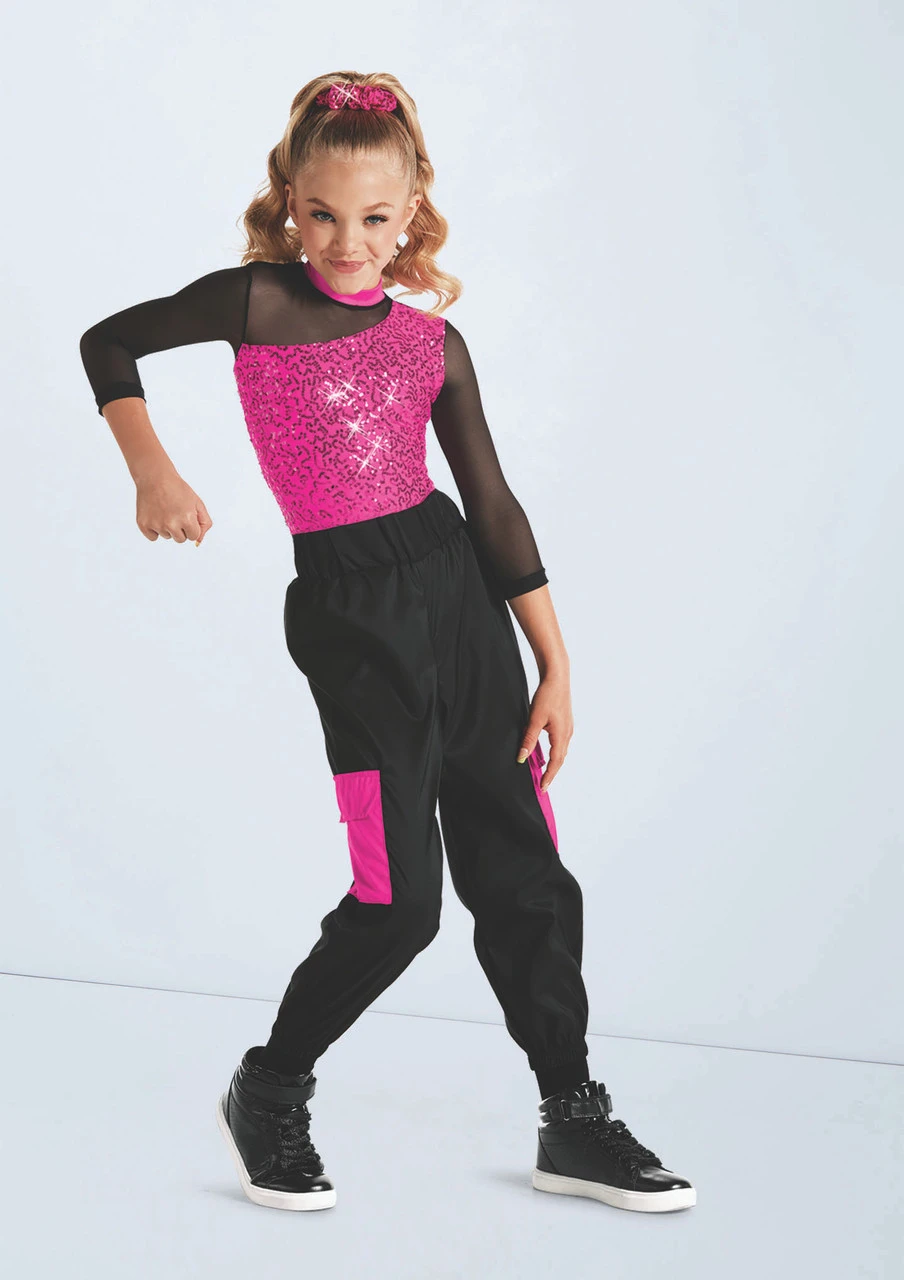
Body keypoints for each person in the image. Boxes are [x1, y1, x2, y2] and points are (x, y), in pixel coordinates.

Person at [79, 72, 695, 1215]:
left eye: (373, 217)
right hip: (352, 616)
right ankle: (269, 1086)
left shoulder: (432, 344)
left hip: (457, 591)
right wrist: (150, 468)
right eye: (321, 214)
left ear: (410, 210)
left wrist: (554, 659)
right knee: (401, 899)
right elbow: (108, 341)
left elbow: (494, 506)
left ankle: (571, 1111)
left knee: (520, 861)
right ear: (290, 200)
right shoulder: (257, 302)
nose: (347, 241)